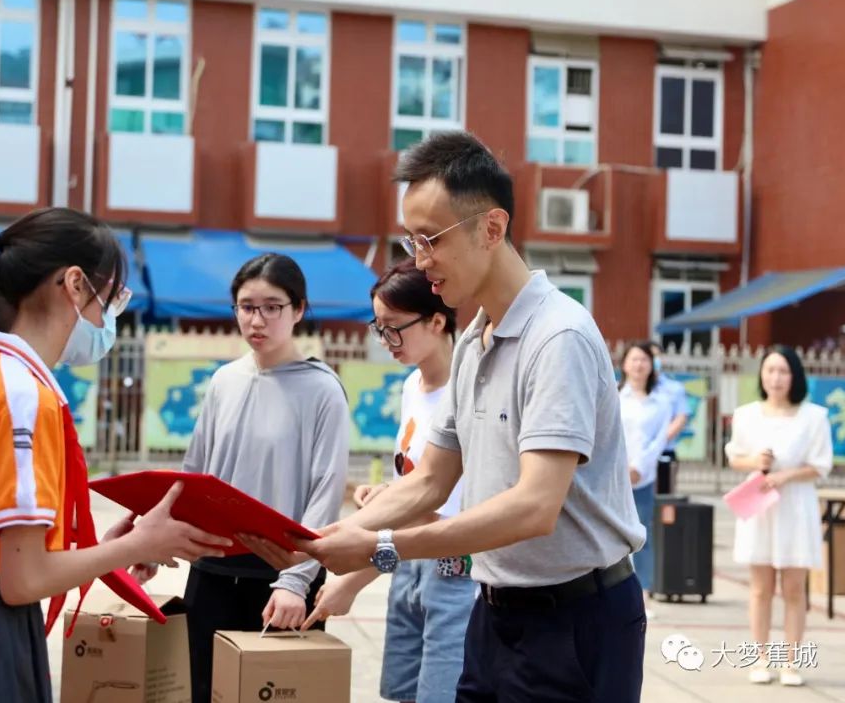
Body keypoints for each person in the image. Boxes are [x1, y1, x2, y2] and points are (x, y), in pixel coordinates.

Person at [243, 132, 646, 702]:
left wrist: (380, 546)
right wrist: (320, 542)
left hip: (576, 619)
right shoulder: (474, 343)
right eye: (411, 240)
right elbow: (431, 479)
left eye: (430, 239)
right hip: (494, 611)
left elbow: (536, 506)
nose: (420, 260)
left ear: (492, 228)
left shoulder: (559, 337)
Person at [0, 209, 230, 701]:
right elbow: (22, 579)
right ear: (74, 284)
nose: (108, 318)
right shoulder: (21, 394)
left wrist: (102, 550)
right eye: (111, 298)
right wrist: (138, 545)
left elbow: (4, 552)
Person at [181, 253, 350, 703]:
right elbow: (195, 471)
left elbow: (326, 491)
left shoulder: (322, 389)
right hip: (212, 569)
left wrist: (296, 581)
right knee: (203, 691)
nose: (257, 320)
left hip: (282, 576)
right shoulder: (224, 380)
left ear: (298, 310)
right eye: (247, 307)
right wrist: (158, 541)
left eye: (272, 307)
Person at [304, 258, 471, 703]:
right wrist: (389, 494)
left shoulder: (468, 395)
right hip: (406, 564)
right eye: (378, 328)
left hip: (453, 569)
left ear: (437, 321)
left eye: (394, 328)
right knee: (404, 693)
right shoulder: (413, 386)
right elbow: (420, 485)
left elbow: (436, 508)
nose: (385, 341)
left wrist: (353, 579)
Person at [726, 345, 833, 687]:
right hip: (759, 504)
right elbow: (735, 457)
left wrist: (786, 476)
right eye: (770, 370)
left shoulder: (814, 417)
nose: (775, 378)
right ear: (761, 374)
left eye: (783, 371)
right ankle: (760, 659)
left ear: (795, 376)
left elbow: (821, 465)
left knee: (794, 588)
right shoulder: (746, 415)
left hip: (796, 506)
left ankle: (791, 663)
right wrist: (756, 462)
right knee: (760, 588)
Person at [618, 342, 673, 617]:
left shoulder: (660, 403)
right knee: (614, 535)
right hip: (615, 477)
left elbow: (659, 439)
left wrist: (638, 467)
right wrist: (621, 467)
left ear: (652, 366)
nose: (639, 365)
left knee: (642, 535)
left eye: (644, 360)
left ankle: (642, 596)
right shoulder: (614, 396)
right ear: (624, 364)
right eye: (634, 359)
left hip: (644, 477)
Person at [647, 342, 690, 495]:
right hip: (634, 454)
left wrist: (657, 442)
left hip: (664, 453)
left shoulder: (674, 388)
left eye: (656, 356)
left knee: (664, 500)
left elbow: (680, 418)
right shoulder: (628, 390)